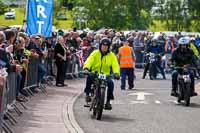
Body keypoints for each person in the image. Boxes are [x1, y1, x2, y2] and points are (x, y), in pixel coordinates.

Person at [83, 37, 120, 110]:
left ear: (109, 47)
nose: (104, 47)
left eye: (106, 46)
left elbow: (115, 64)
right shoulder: (95, 53)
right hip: (95, 73)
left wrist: (116, 73)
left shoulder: (112, 55)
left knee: (111, 83)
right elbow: (89, 60)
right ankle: (88, 94)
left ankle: (108, 101)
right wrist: (86, 68)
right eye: (103, 46)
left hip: (106, 75)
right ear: (100, 46)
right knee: (89, 77)